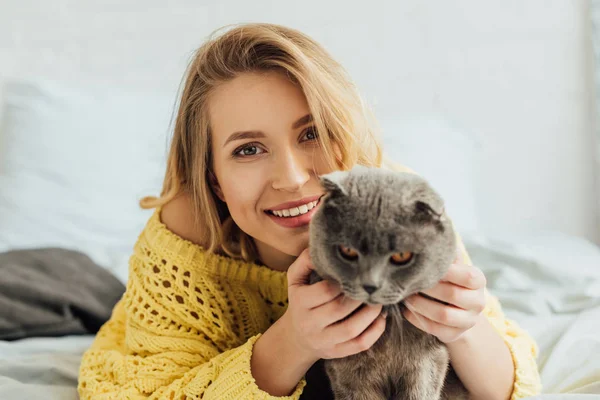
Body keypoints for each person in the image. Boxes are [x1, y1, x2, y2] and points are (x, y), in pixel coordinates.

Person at [77, 23, 541, 400]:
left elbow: (512, 385)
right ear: (215, 179)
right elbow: (141, 390)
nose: (293, 177)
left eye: (312, 133)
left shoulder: (399, 208)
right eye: (249, 149)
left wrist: (463, 327)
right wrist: (293, 342)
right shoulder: (186, 238)